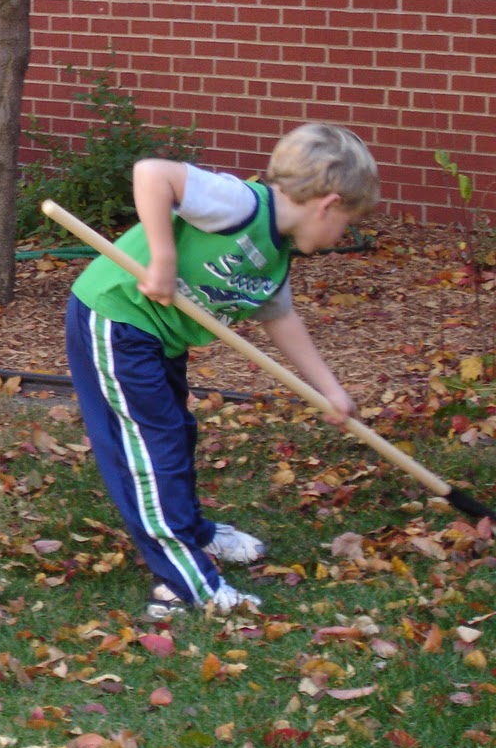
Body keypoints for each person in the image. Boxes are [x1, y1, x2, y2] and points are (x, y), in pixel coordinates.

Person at [63, 123, 379, 620]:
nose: (343, 236)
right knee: (152, 449)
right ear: (328, 203)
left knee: (176, 434)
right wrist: (163, 256)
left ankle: (191, 532)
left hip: (158, 334)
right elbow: (152, 174)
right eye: (348, 222)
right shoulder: (240, 205)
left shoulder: (276, 253)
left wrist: (330, 390)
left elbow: (280, 318)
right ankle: (185, 584)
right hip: (116, 316)